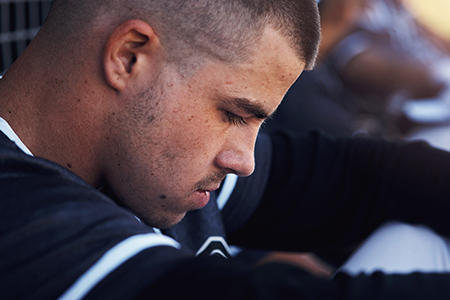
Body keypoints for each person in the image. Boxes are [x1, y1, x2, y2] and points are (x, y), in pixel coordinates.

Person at [1, 1, 450, 299]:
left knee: (424, 231)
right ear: (128, 57)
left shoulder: (150, 162)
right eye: (234, 114)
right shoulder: (13, 207)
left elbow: (355, 177)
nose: (245, 160)